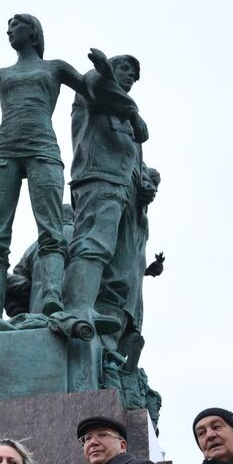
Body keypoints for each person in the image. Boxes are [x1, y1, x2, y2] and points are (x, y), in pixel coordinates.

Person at [0, 14, 90, 323]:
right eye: (8, 27)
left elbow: (96, 92)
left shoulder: (56, 68)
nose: (9, 31)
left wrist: (129, 114)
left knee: (51, 229)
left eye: (16, 26)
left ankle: (52, 295)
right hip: (4, 153)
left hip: (43, 149)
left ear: (33, 32)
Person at [60, 53, 152, 340]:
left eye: (134, 76)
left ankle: (106, 343)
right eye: (125, 69)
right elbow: (98, 84)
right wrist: (133, 112)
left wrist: (144, 186)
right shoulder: (92, 89)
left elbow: (136, 161)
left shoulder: (126, 116)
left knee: (121, 272)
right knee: (93, 245)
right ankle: (77, 309)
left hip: (126, 195)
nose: (130, 77)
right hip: (99, 180)